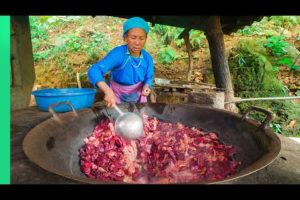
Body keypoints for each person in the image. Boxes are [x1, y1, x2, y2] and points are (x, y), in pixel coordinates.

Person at [88, 17, 154, 107]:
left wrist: (147, 86)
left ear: (146, 39)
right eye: (133, 37)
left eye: (141, 38)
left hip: (138, 95)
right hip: (116, 94)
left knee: (139, 118)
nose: (137, 42)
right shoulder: (118, 54)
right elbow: (94, 70)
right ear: (125, 38)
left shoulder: (147, 58)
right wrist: (107, 90)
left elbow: (149, 77)